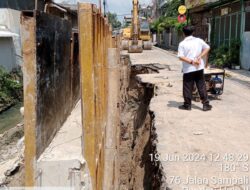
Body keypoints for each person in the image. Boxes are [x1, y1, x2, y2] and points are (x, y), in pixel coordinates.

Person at [177, 25, 212, 111]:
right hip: (199, 68)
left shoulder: (182, 44)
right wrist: (200, 57)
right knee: (201, 85)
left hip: (188, 69)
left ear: (183, 33)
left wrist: (192, 61)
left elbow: (181, 57)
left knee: (187, 87)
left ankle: (187, 105)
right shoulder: (199, 41)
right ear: (193, 32)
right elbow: (207, 48)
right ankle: (206, 105)